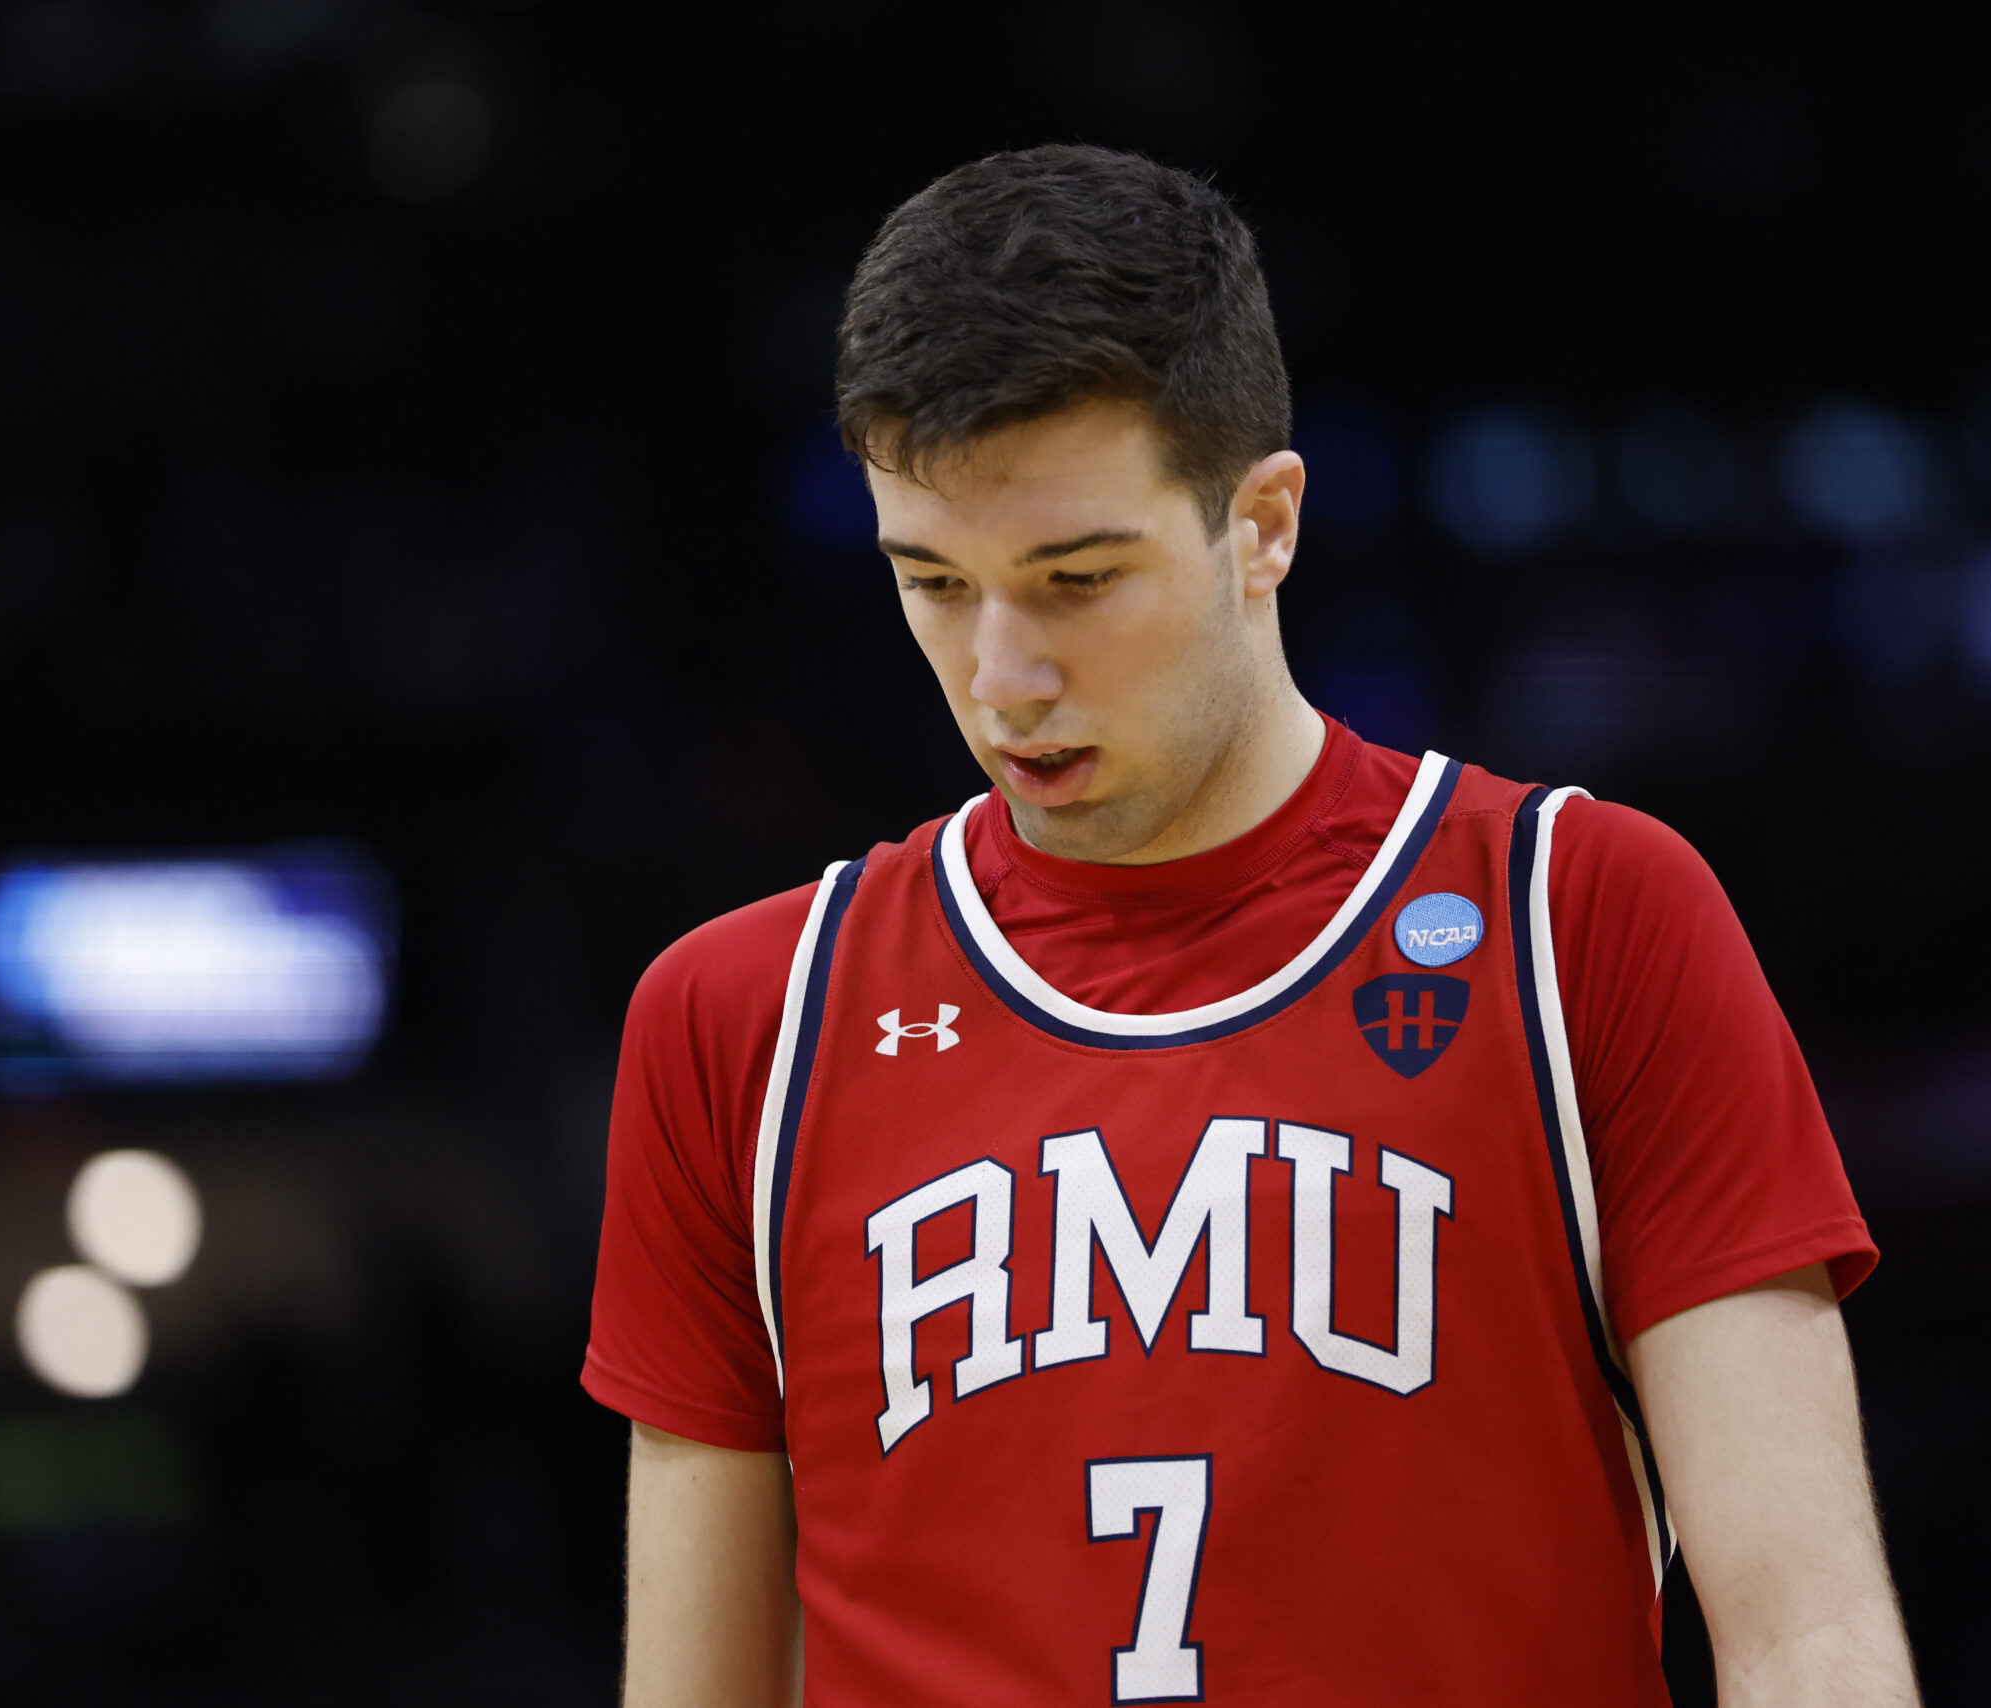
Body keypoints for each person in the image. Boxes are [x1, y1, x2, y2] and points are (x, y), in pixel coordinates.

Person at [586, 144, 1918, 1706]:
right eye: (935, 581)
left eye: (1077, 578)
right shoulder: (744, 1021)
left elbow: (1806, 1637)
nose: (1003, 674)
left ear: (1265, 522)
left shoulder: (1579, 919)